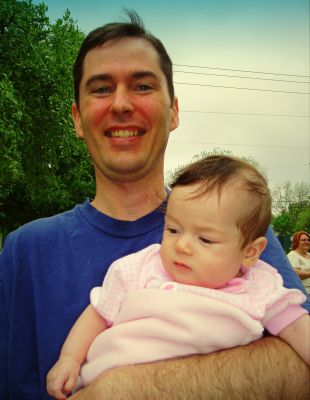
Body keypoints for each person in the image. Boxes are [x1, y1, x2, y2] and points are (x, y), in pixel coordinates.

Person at [0, 10, 309, 400]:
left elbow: (300, 366)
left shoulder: (242, 229)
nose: (121, 104)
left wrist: (122, 390)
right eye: (100, 88)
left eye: (143, 86)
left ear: (174, 111)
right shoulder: (25, 252)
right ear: (77, 119)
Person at [46, 155, 309, 399]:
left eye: (205, 239)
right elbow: (99, 311)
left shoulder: (259, 287)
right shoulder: (143, 266)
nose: (181, 246)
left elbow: (297, 328)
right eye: (173, 229)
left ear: (250, 252)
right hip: (103, 374)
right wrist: (70, 358)